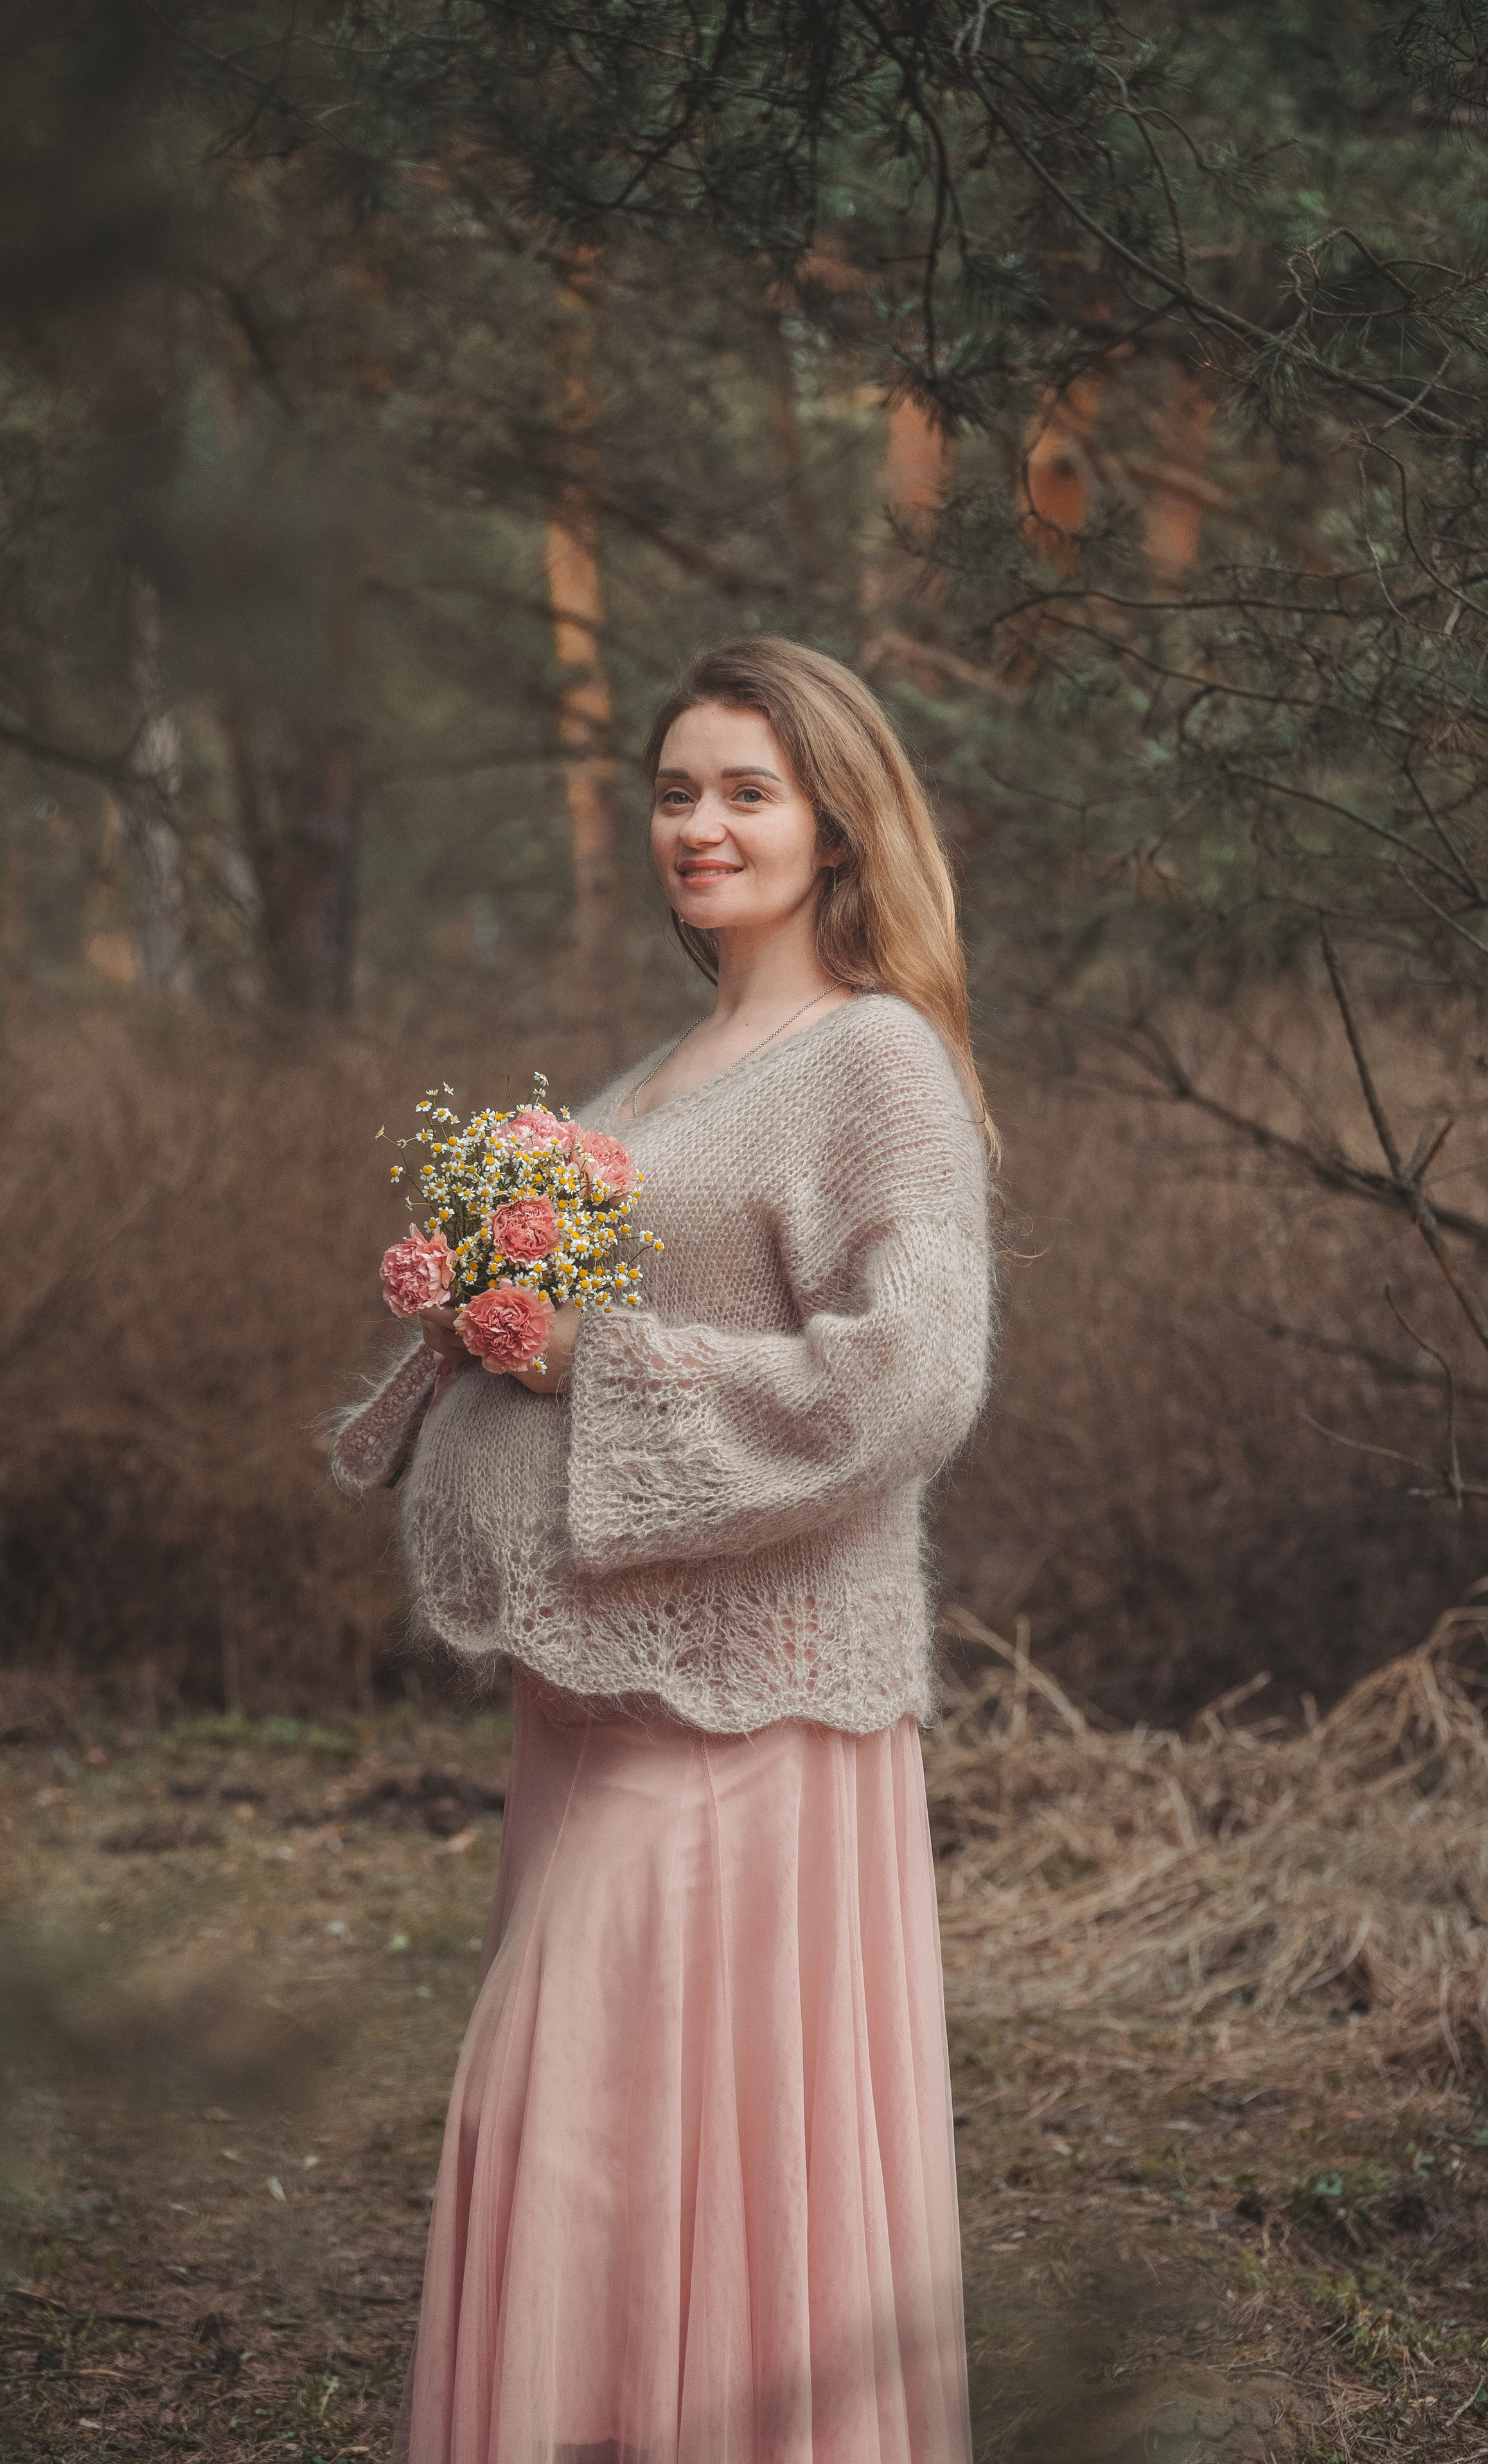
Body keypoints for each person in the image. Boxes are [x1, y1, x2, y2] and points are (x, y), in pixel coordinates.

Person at [330, 637, 995, 2464]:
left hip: (745, 1716)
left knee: (564, 2118)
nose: (701, 825)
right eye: (678, 790)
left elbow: (912, 1374)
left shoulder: (875, 1061)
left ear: (837, 822)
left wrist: (589, 1360)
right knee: (620, 2142)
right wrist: (474, 1311)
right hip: (598, 1706)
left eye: (748, 791)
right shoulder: (656, 1072)